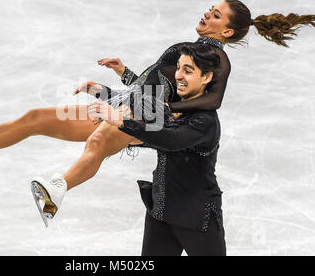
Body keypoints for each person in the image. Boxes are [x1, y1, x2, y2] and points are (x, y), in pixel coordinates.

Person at [0, 0, 315, 222]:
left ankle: (56, 189)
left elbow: (211, 100)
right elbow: (151, 83)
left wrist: (155, 114)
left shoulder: (216, 60)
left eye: (214, 14)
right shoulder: (192, 49)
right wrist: (119, 80)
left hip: (143, 117)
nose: (205, 13)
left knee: (101, 140)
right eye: (209, 9)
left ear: (226, 30)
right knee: (36, 119)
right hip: (127, 104)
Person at [88, 43, 225, 256]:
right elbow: (145, 102)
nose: (178, 75)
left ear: (206, 77)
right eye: (178, 67)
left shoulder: (204, 120)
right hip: (161, 209)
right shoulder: (173, 103)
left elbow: (171, 139)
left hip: (196, 216)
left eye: (188, 71)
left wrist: (122, 122)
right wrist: (103, 92)